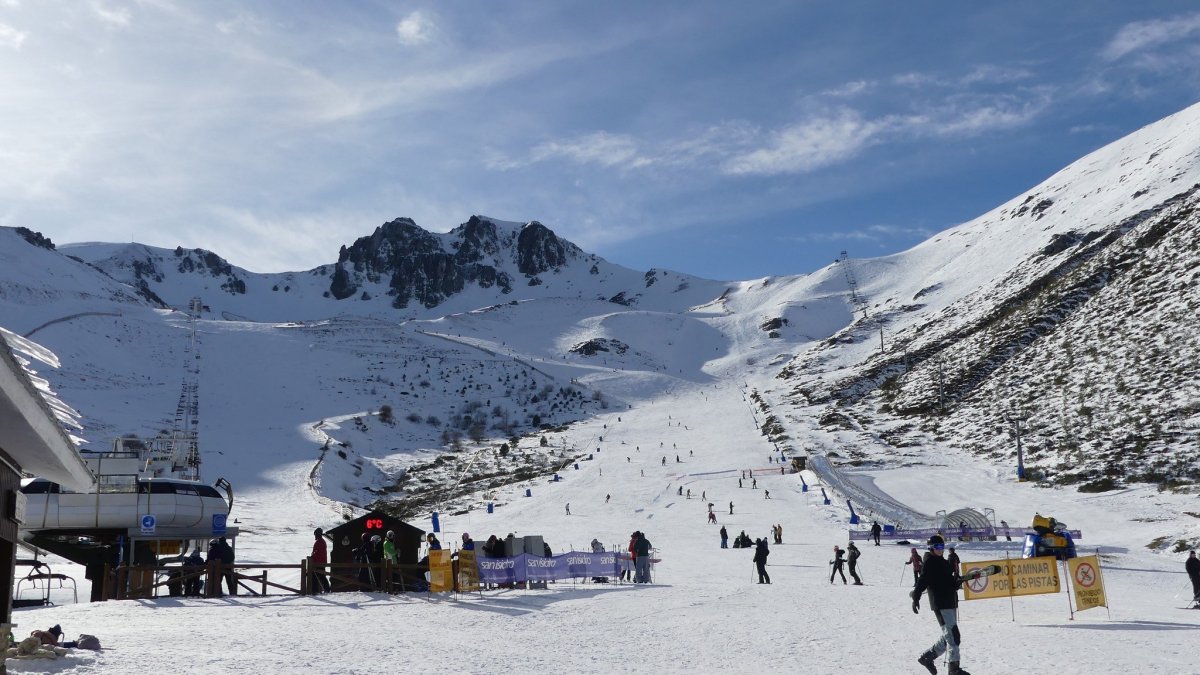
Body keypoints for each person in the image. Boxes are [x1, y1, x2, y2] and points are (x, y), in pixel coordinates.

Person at [911, 534, 972, 675]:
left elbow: (949, 583)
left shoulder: (943, 562)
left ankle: (928, 657)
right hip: (941, 603)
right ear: (931, 548)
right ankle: (954, 669)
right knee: (953, 636)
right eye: (937, 547)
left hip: (950, 602)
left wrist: (957, 582)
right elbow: (922, 581)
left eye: (942, 547)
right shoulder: (930, 562)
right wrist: (916, 598)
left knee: (949, 636)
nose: (940, 549)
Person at [310, 528, 330, 594]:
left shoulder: (320, 542)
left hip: (318, 562)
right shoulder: (321, 541)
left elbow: (317, 552)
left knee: (317, 577)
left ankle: (315, 591)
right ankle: (325, 590)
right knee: (321, 576)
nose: (315, 536)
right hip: (320, 562)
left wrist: (312, 556)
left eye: (315, 534)